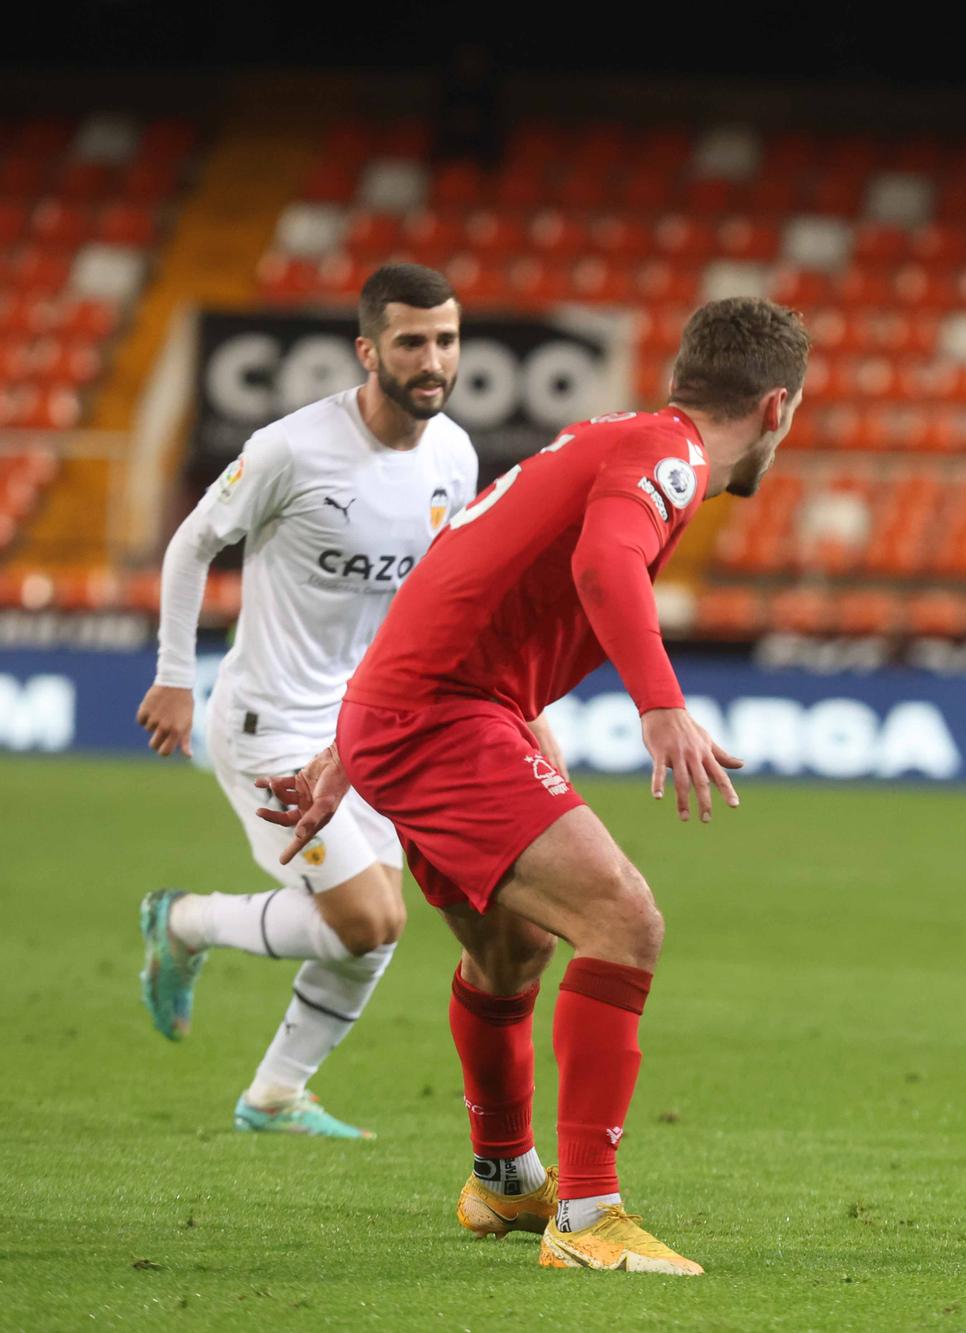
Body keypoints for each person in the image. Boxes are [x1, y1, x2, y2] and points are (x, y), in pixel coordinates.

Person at [259, 296, 809, 1275]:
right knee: (623, 920)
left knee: (513, 952)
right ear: (776, 410)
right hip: (443, 714)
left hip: (423, 708)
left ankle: (505, 1181)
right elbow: (607, 565)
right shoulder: (668, 459)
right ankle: (590, 1214)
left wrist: (355, 742)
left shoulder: (606, 438)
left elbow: (456, 570)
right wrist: (660, 704)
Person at [136, 263, 480, 1139]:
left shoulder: (455, 455)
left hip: (363, 731)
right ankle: (181, 921)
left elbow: (447, 600)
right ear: (368, 350)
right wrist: (175, 674)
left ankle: (276, 1095)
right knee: (368, 916)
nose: (432, 358)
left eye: (444, 339)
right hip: (266, 724)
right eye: (411, 341)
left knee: (379, 926)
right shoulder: (295, 448)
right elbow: (190, 544)